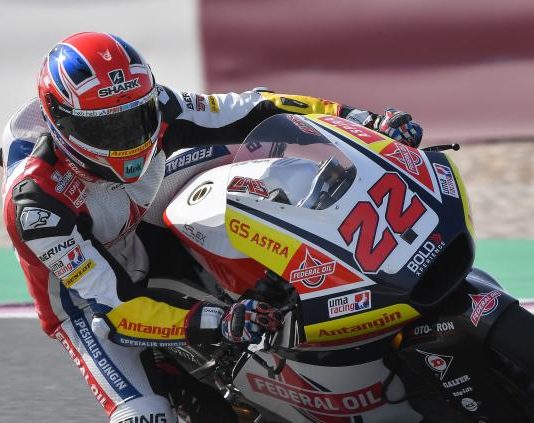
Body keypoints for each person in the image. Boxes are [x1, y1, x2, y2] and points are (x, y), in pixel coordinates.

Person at [1, 32, 423, 422]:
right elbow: (117, 308)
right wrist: (219, 321)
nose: (128, 138)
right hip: (87, 294)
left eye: (136, 118)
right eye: (108, 128)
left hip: (138, 205)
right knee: (144, 415)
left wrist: (359, 120)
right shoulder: (36, 206)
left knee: (267, 166)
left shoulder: (158, 106)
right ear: (61, 121)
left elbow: (254, 106)